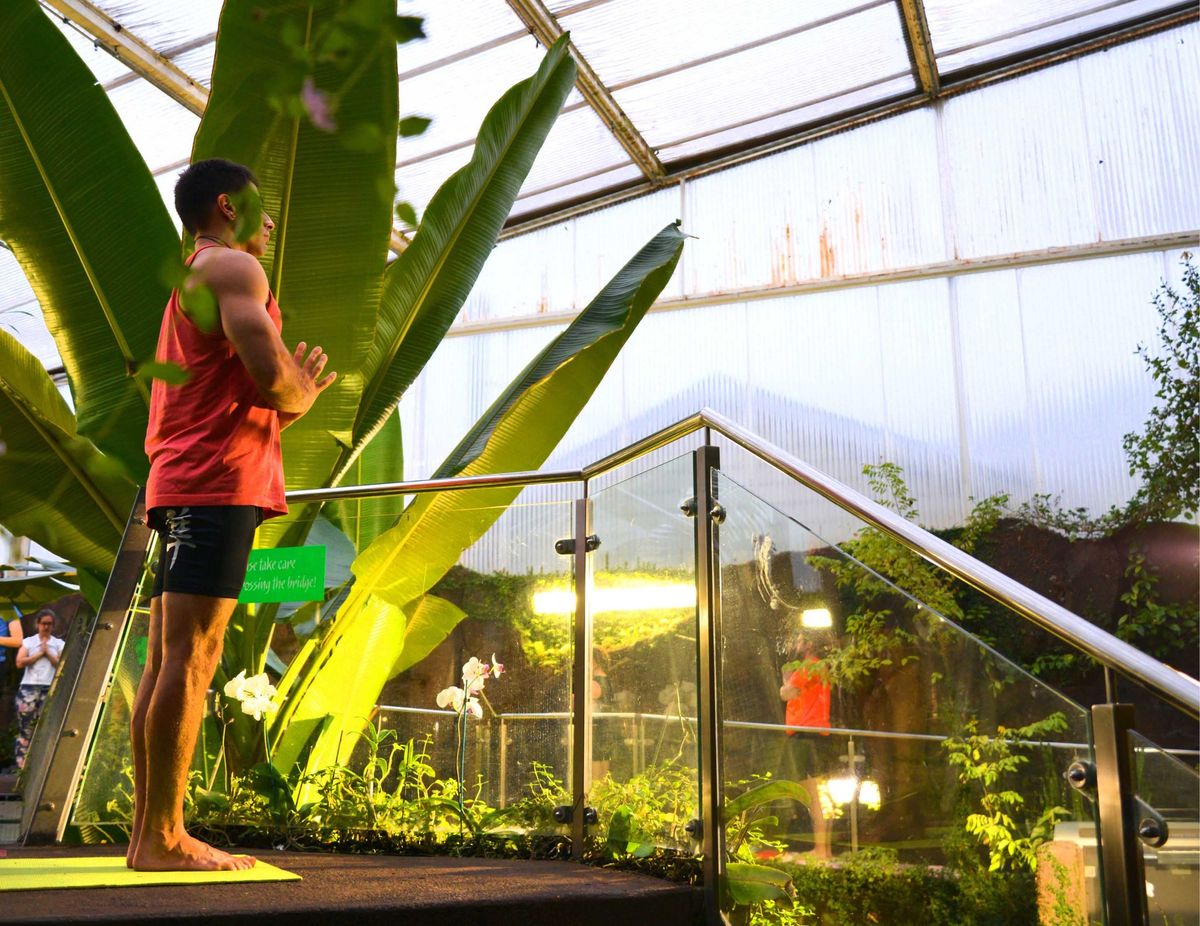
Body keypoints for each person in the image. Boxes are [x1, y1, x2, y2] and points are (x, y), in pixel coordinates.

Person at [127, 158, 336, 872]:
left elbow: (244, 386)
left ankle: (146, 837)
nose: (270, 222)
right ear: (226, 206)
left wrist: (285, 392)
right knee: (192, 661)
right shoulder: (234, 271)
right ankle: (163, 837)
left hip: (190, 479)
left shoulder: (199, 272)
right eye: (259, 207)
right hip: (212, 483)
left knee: (168, 661)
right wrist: (301, 391)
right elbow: (277, 382)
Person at [779, 634, 833, 858]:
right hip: (819, 734)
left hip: (804, 734)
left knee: (813, 795)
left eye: (800, 640)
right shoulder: (823, 668)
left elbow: (785, 693)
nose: (796, 643)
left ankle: (820, 849)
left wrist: (785, 680)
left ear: (809, 645)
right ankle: (825, 849)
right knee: (821, 793)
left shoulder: (807, 668)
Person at [14, 609, 64, 769]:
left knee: (46, 727)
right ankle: (22, 766)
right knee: (26, 727)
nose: (46, 627)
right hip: (29, 688)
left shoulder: (58, 644)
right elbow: (19, 662)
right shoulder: (29, 642)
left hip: (49, 687)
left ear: (53, 625)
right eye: (44, 623)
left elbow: (62, 665)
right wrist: (37, 654)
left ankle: (41, 765)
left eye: (49, 624)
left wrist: (47, 653)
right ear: (38, 624)